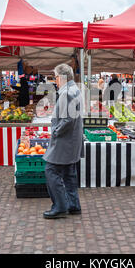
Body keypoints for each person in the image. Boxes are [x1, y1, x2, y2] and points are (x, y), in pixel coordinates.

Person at [42, 63, 83, 219]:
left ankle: (60, 206)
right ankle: (73, 205)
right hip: (71, 141)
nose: (55, 80)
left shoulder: (67, 92)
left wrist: (55, 131)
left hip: (65, 141)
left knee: (50, 170)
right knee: (68, 173)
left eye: (56, 77)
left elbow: (67, 119)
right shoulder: (74, 89)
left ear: (61, 77)